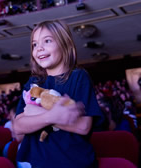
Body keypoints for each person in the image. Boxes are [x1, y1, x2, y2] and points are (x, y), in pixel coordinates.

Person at [13, 20, 104, 168]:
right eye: (34, 44)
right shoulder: (33, 82)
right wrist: (53, 116)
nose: (39, 48)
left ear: (64, 44)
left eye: (47, 41)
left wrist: (39, 113)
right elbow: (18, 126)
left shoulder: (78, 77)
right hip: (39, 163)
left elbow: (83, 126)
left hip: (74, 163)